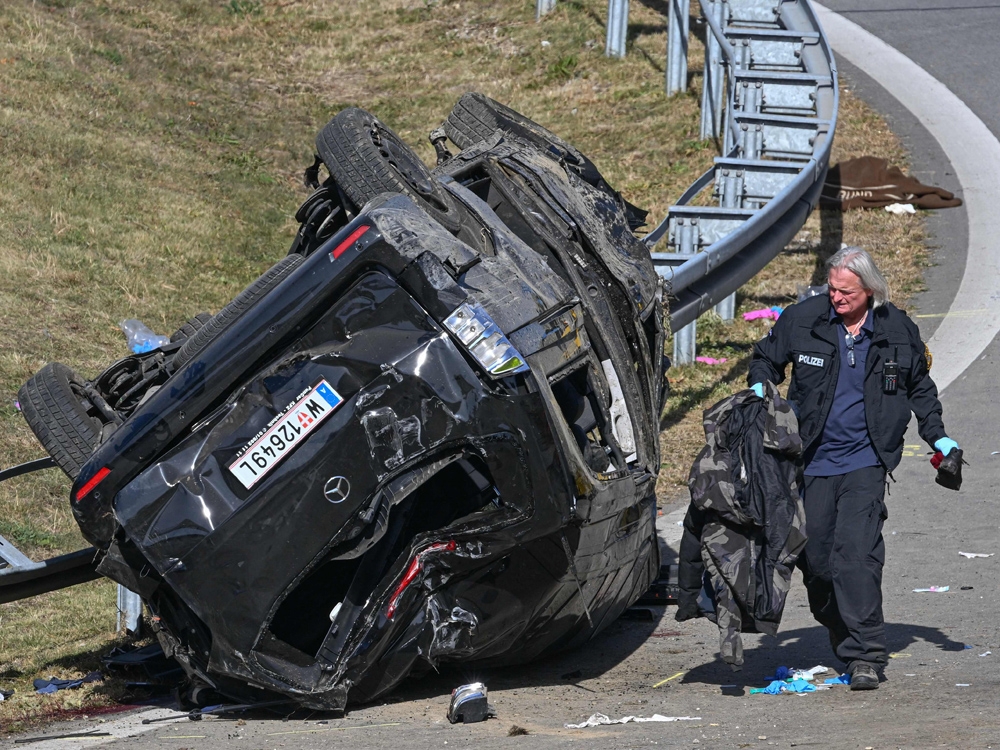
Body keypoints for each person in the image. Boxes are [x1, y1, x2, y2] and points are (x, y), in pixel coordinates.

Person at [747, 246, 959, 691]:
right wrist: (760, 392)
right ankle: (846, 636)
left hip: (866, 461)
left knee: (854, 557)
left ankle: (866, 656)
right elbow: (764, 359)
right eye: (832, 289)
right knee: (819, 562)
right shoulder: (803, 319)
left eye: (845, 291)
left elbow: (921, 388)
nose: (836, 297)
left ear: (869, 290)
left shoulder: (897, 330)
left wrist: (939, 439)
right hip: (812, 461)